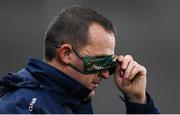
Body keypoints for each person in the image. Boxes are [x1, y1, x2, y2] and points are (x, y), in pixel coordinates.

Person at [0, 6, 159, 113]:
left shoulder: (72, 99)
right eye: (100, 62)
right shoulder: (20, 107)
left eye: (110, 64)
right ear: (66, 54)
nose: (105, 74)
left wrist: (138, 101)